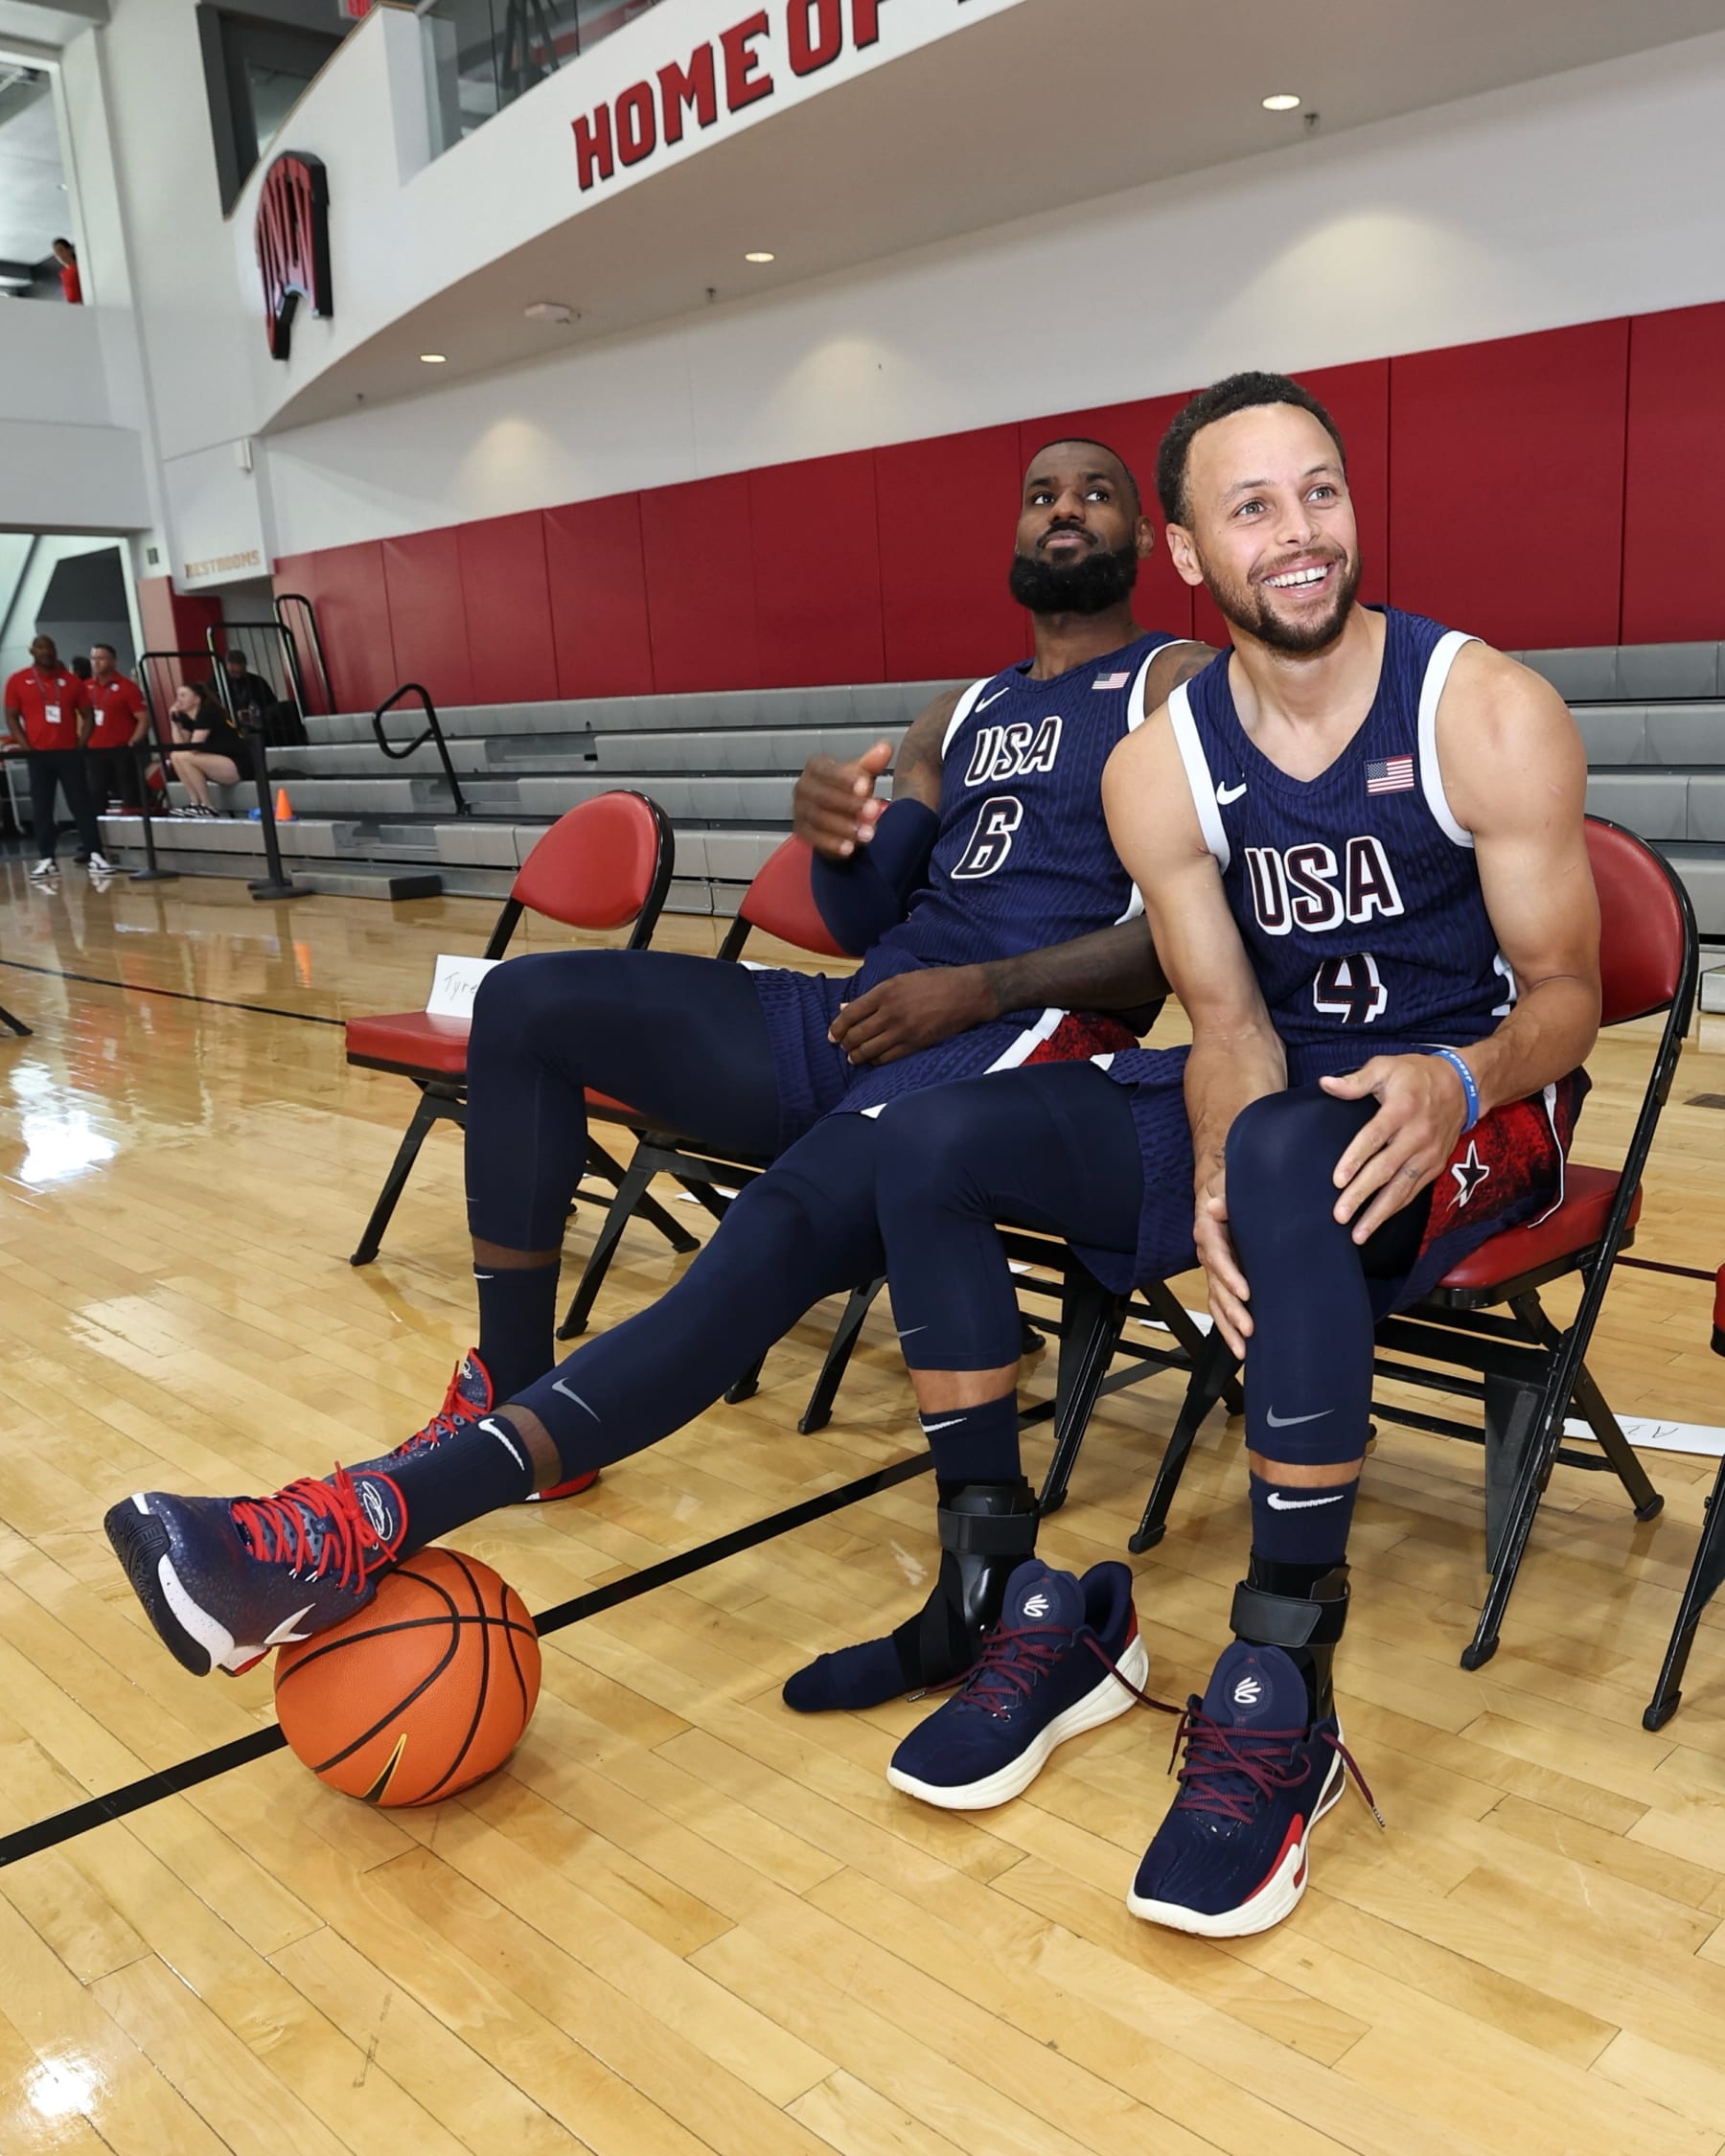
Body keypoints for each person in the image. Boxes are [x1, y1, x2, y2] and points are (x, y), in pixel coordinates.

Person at [104, 439, 1214, 1682]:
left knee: (758, 1245)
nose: (1064, 509)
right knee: (530, 1002)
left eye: (1095, 492)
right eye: (1040, 494)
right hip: (864, 1009)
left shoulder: (1174, 685)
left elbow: (1178, 939)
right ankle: (510, 1380)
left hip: (1011, 1042)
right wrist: (836, 840)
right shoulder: (955, 716)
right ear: (1013, 536)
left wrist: (985, 984)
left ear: (1145, 538)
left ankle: (359, 1521)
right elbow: (865, 916)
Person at [860, 372, 1598, 1937]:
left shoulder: (1482, 706)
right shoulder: (1160, 767)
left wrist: (1464, 1077)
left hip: (1474, 1110)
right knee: (932, 1144)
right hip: (1277, 1108)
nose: (1301, 533)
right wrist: (1207, 1171)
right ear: (1189, 550)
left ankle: (1283, 1688)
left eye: (1319, 491)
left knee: (1278, 1160)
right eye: (1253, 505)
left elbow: (1573, 1002)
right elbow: (1225, 1021)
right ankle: (1013, 1596)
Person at [3, 633, 117, 880]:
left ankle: (95, 854)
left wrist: (81, 743)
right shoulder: (18, 680)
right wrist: (25, 745)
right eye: (41, 648)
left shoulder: (71, 681)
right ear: (32, 651)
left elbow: (88, 715)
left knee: (81, 805)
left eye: (50, 648)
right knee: (41, 807)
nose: (46, 652)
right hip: (39, 755)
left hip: (68, 753)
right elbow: (11, 716)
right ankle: (46, 858)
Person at [166, 682, 248, 815]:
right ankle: (195, 803)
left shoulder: (207, 713)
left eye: (183, 695)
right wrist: (174, 723)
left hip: (237, 764)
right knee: (176, 755)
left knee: (184, 756)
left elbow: (194, 748)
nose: (178, 699)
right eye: (177, 695)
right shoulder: (188, 718)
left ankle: (207, 806)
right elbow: (179, 746)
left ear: (197, 699)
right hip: (217, 763)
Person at [83, 645, 149, 813]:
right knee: (96, 793)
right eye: (93, 658)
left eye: (101, 658)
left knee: (129, 792)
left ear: (113, 661)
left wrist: (133, 742)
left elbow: (143, 719)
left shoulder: (127, 687)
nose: (96, 663)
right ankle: (99, 834)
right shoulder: (85, 687)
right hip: (95, 750)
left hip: (121, 749)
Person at [221, 648, 303, 746]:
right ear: (226, 667)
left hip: (261, 721)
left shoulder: (257, 681)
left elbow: (271, 702)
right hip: (231, 724)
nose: (238, 676)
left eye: (241, 672)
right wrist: (234, 715)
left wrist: (258, 714)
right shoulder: (218, 684)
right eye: (234, 673)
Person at [52, 238, 80, 306]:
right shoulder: (63, 273)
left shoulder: (80, 266)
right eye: (56, 253)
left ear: (69, 249)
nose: (59, 255)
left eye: (61, 250)